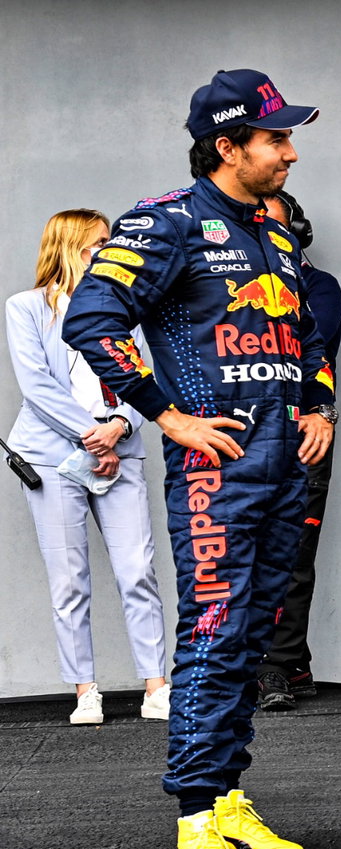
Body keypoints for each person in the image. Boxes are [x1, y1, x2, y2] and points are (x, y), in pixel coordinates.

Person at [63, 69, 336, 849]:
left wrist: (319, 403)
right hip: (216, 471)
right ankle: (192, 822)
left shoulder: (277, 234)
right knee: (213, 639)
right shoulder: (166, 222)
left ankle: (225, 798)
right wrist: (167, 416)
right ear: (227, 146)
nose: (289, 151)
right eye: (275, 138)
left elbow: (305, 332)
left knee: (253, 643)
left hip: (285, 464)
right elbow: (91, 320)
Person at [6, 209, 170, 725]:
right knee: (69, 580)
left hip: (119, 445)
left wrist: (117, 428)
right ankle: (85, 692)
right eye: (100, 242)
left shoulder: (129, 311)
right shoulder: (26, 308)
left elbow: (144, 376)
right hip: (54, 456)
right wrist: (90, 435)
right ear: (73, 246)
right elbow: (36, 386)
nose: (109, 250)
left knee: (138, 571)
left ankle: (156, 686)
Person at [257, 189, 341, 709]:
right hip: (242, 433)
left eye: (273, 225)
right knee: (244, 555)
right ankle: (289, 662)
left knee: (292, 557)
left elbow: (300, 338)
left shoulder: (318, 288)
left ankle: (278, 666)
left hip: (306, 432)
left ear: (297, 233)